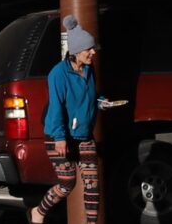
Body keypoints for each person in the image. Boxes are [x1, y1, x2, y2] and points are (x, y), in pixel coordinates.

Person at [33, 16, 123, 224]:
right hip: (59, 134)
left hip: (83, 134)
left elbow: (89, 96)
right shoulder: (58, 74)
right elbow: (56, 106)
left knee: (92, 183)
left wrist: (101, 102)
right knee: (67, 182)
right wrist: (59, 138)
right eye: (88, 49)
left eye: (93, 48)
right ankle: (38, 212)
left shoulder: (89, 70)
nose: (93, 52)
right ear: (76, 51)